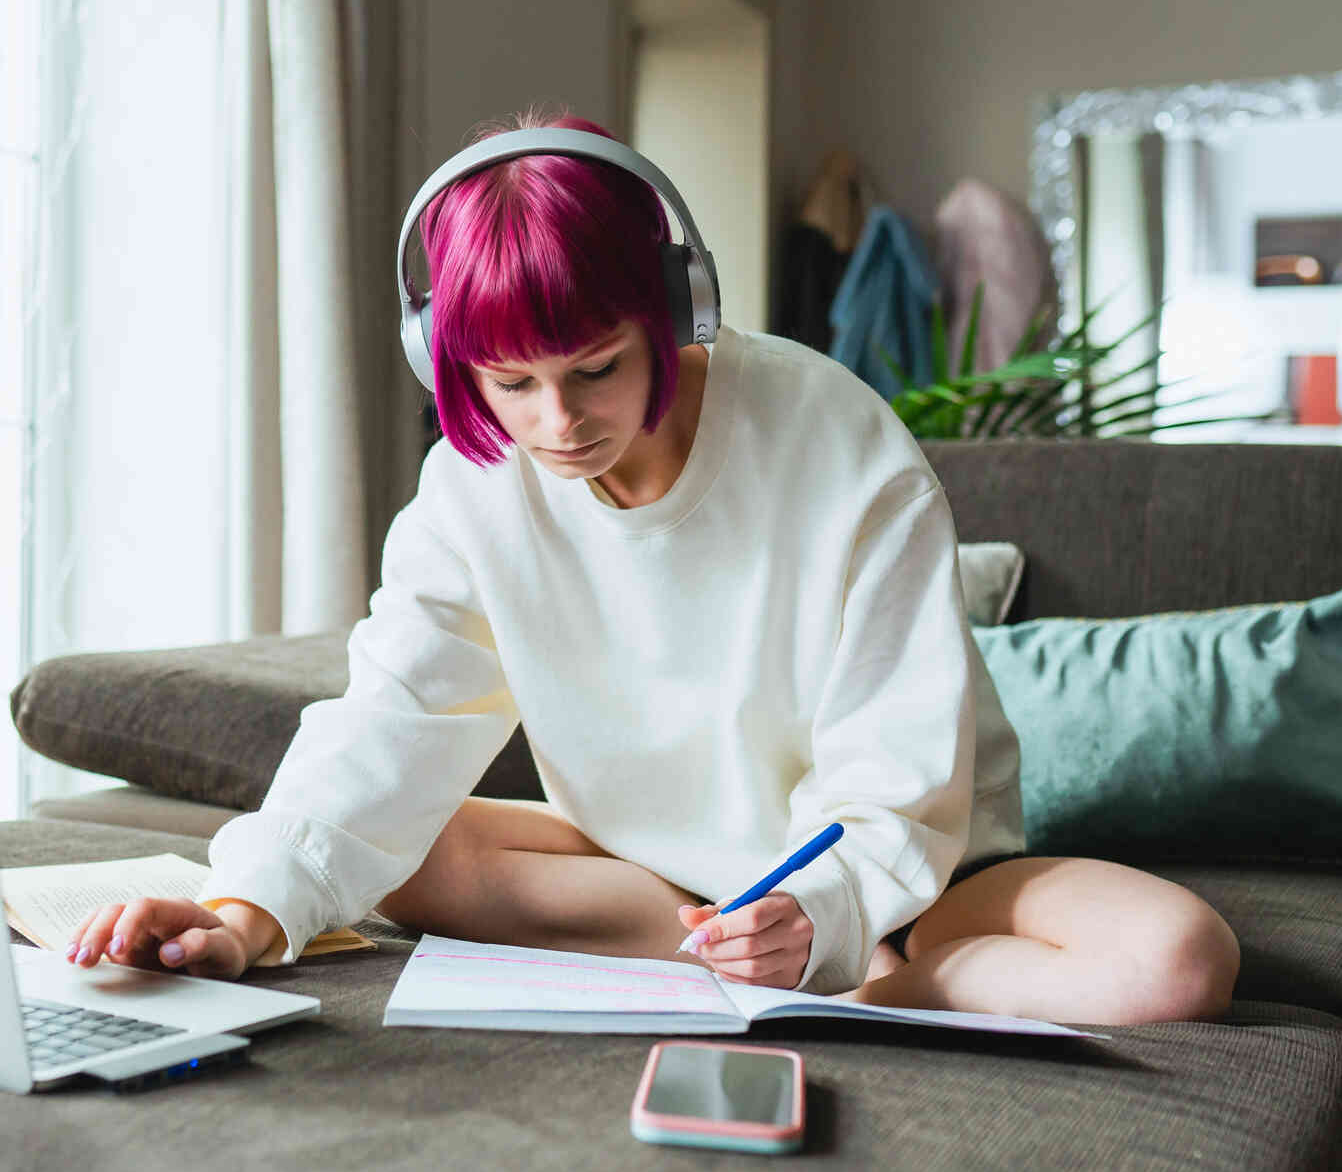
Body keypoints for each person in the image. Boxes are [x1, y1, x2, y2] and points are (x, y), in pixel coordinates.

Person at [66, 106, 1241, 1025]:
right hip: (647, 863)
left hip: (910, 876)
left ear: (677, 311)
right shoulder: (475, 486)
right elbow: (394, 720)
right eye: (508, 383)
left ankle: (865, 973)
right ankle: (727, 950)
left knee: (1179, 962)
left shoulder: (838, 445)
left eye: (594, 368)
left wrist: (821, 915)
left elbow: (899, 773)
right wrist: (243, 912)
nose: (555, 421)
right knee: (381, 841)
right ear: (447, 361)